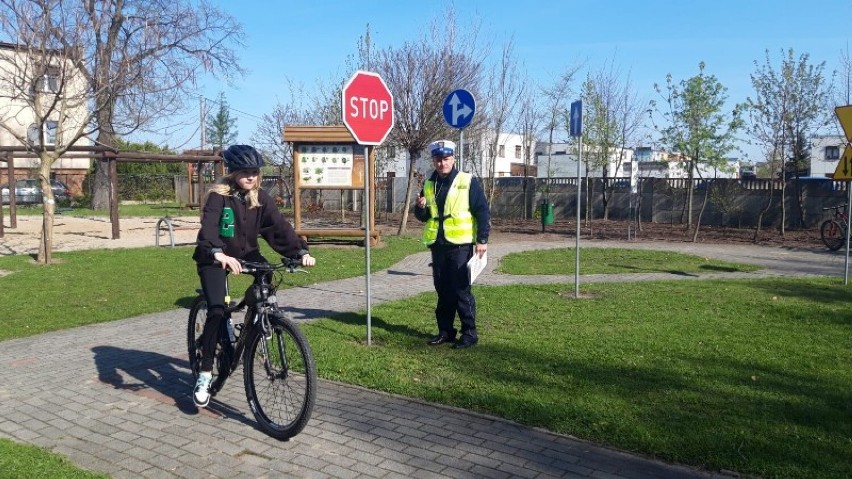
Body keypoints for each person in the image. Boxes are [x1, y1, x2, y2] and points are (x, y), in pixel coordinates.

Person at [191, 144, 315, 407]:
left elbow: (278, 227)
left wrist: (300, 250)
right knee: (216, 310)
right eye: (246, 172)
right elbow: (209, 228)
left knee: (266, 278)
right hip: (215, 256)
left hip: (246, 255)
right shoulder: (218, 197)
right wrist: (218, 253)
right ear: (233, 172)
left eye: (255, 172)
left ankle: (259, 321)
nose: (251, 177)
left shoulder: (260, 198)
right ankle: (204, 374)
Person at [414, 140, 490, 349]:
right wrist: (420, 207)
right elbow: (425, 216)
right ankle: (445, 332)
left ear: (453, 159)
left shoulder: (467, 181)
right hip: (438, 245)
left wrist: (482, 240)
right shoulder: (430, 184)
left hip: (460, 245)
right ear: (433, 160)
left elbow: (482, 211)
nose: (442, 163)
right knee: (442, 290)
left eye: (446, 159)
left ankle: (469, 334)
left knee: (460, 290)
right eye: (438, 159)